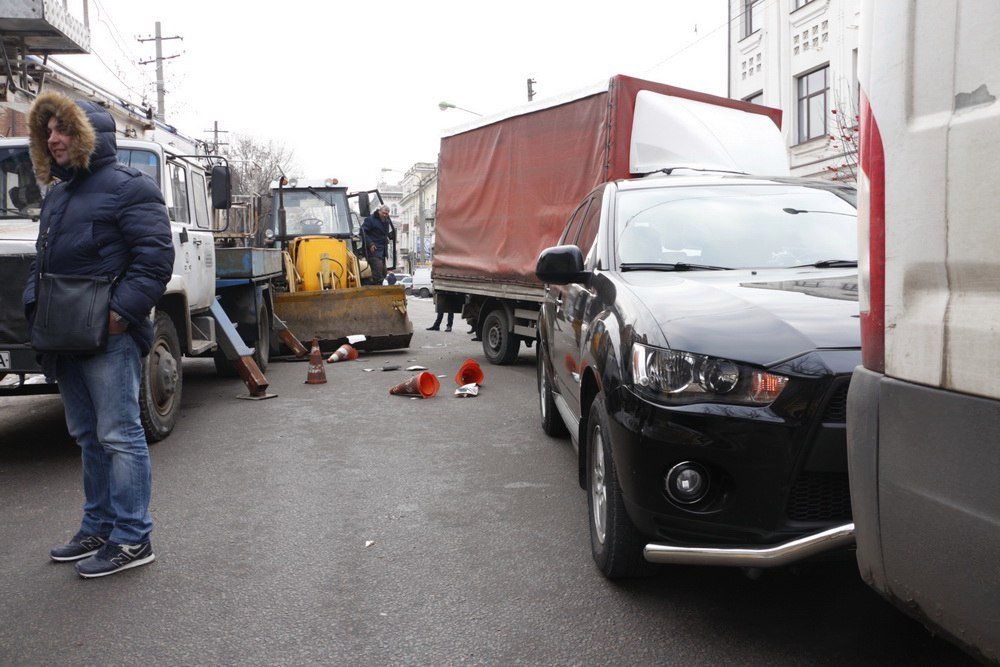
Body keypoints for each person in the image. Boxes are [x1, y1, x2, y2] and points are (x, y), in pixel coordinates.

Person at [23, 92, 173, 578]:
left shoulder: (131, 187)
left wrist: (118, 316)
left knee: (119, 434)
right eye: (47, 132)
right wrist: (34, 308)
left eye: (62, 130)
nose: (53, 139)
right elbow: (43, 263)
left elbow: (154, 261)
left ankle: (133, 537)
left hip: (108, 338)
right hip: (64, 338)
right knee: (88, 436)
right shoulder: (58, 195)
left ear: (85, 134)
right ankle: (99, 526)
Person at [361, 205, 395, 284]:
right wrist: (370, 243)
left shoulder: (386, 221)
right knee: (377, 271)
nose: (385, 215)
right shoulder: (370, 220)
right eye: (383, 213)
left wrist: (389, 235)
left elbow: (383, 233)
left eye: (386, 214)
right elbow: (362, 232)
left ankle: (377, 287)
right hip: (373, 250)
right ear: (379, 211)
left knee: (383, 272)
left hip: (382, 250)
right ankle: (375, 290)